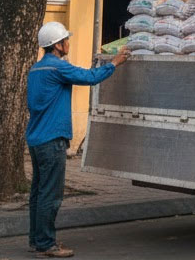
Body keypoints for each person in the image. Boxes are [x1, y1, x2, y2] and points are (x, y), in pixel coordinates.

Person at [27, 22, 131, 258]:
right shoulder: (57, 68)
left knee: (38, 193)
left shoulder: (36, 69)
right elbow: (89, 77)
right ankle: (46, 245)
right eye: (66, 40)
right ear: (58, 45)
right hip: (52, 139)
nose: (69, 44)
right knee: (50, 195)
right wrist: (114, 63)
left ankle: (36, 239)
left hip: (35, 139)